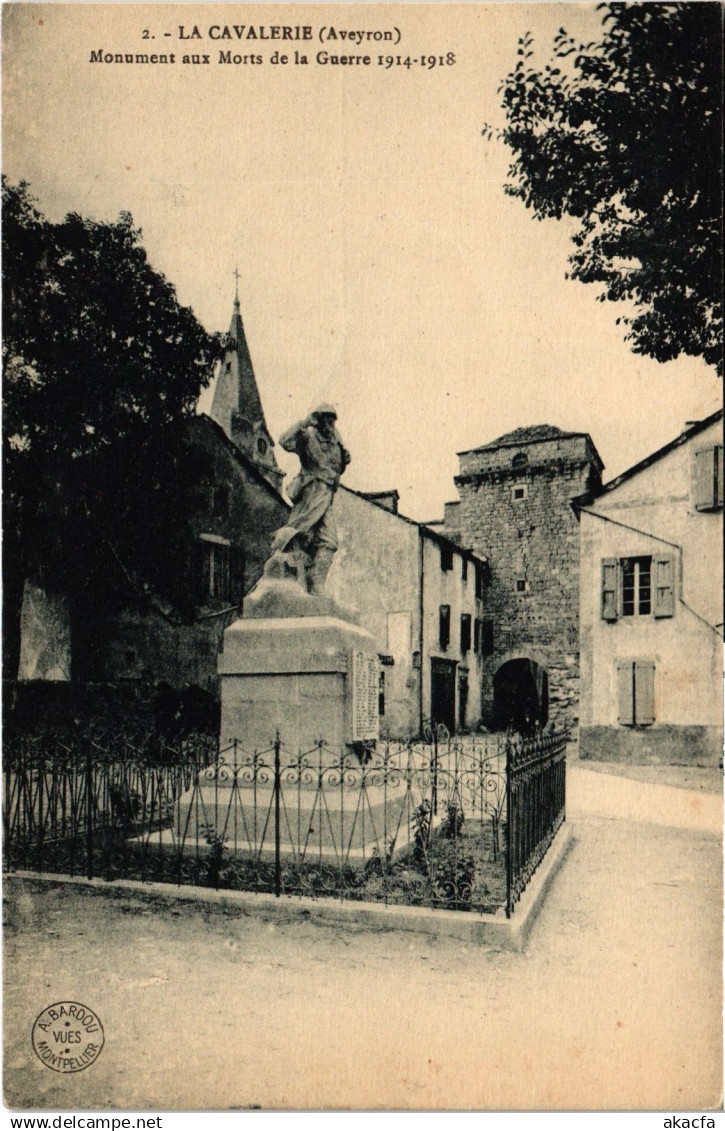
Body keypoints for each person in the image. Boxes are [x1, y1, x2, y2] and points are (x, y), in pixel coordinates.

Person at [271, 404, 350, 594]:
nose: (329, 423)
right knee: (298, 536)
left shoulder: (336, 443)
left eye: (332, 419)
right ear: (319, 419)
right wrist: (304, 422)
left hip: (327, 498)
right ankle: (285, 573)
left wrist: (344, 461)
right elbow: (284, 441)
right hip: (309, 496)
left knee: (329, 541)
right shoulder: (308, 436)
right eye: (325, 418)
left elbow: (336, 469)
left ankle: (316, 583)